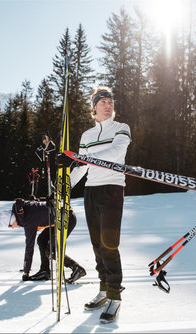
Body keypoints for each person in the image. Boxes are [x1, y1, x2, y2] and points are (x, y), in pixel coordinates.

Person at [67, 86, 131, 324]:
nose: (108, 105)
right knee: (96, 244)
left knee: (109, 244)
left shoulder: (121, 129)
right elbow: (81, 168)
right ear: (94, 107)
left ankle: (115, 296)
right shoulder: (86, 136)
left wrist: (86, 159)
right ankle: (104, 289)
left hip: (112, 189)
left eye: (110, 101)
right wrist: (64, 186)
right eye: (103, 102)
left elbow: (116, 153)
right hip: (90, 192)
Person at [0, 198, 86, 283]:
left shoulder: (27, 220)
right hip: (57, 220)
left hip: (66, 218)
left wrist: (26, 272)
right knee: (42, 240)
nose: (12, 228)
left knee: (51, 251)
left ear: (12, 219)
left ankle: (77, 269)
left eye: (10, 225)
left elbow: (29, 247)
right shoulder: (23, 210)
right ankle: (45, 271)